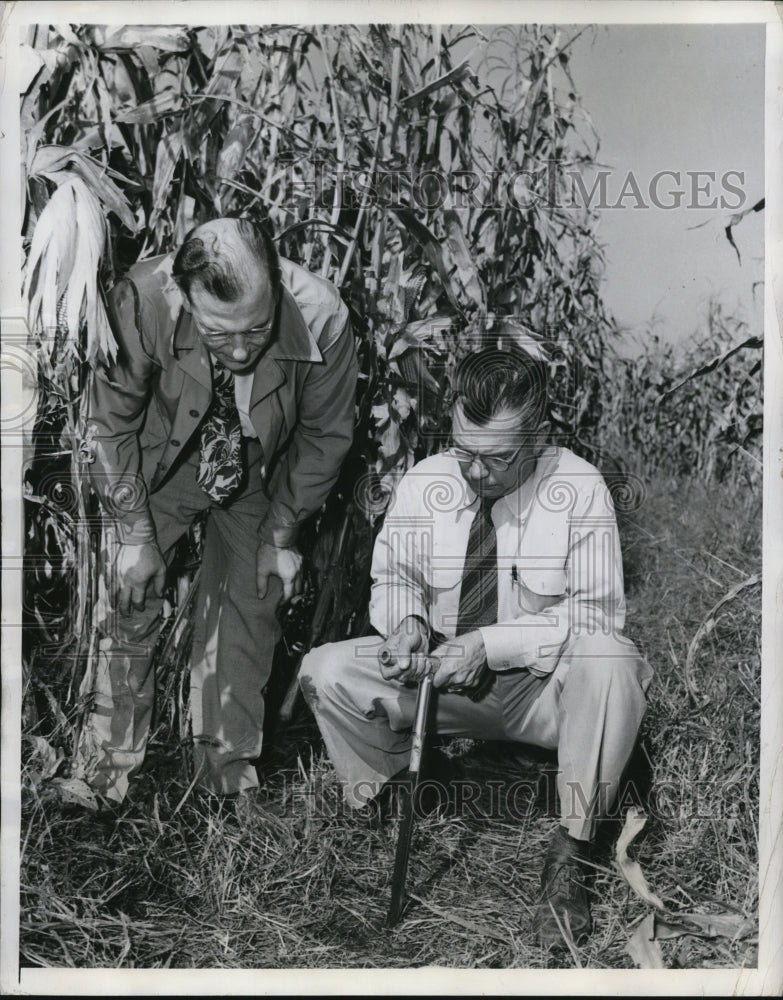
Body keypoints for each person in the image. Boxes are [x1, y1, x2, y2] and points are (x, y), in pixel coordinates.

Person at [299, 345, 652, 947]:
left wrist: (487, 644)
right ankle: (410, 789)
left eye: (496, 459)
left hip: (544, 693)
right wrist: (407, 621)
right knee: (326, 671)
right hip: (443, 682)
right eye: (465, 451)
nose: (476, 473)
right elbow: (395, 577)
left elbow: (596, 614)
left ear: (538, 436)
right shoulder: (426, 481)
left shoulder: (581, 488)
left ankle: (571, 851)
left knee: (612, 660)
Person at [80, 217, 357, 803]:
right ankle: (105, 774)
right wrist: (135, 534)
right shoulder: (141, 298)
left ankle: (225, 778)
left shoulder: (325, 318)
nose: (237, 350)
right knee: (131, 593)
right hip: (161, 460)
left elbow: (324, 436)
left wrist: (281, 534)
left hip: (260, 469)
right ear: (184, 295)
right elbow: (108, 422)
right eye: (217, 332)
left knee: (252, 602)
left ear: (277, 287)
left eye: (256, 331)